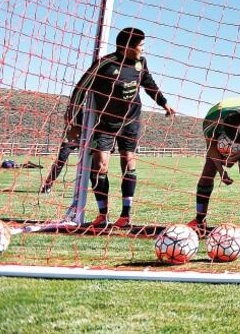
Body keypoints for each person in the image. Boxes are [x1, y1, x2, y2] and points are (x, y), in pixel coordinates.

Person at [43, 28, 176, 228]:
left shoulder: (141, 63)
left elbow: (149, 84)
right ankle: (102, 214)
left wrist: (163, 103)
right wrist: (73, 122)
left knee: (129, 164)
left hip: (131, 121)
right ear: (125, 47)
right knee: (100, 165)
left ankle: (125, 216)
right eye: (139, 45)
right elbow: (80, 91)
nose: (142, 49)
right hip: (105, 124)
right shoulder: (104, 64)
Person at [189, 98, 240, 234]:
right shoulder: (210, 123)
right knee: (208, 172)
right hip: (217, 114)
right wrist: (221, 171)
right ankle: (200, 219)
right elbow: (212, 148)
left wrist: (235, 157)